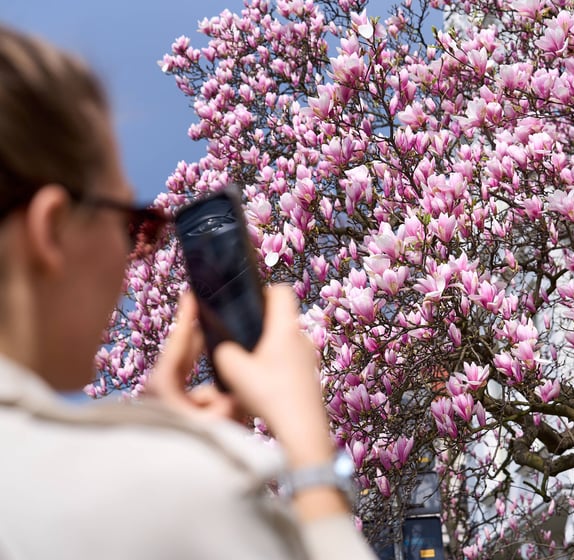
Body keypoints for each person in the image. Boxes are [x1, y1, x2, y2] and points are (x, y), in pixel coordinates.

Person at [0, 24, 374, 560]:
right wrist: (312, 461)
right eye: (133, 222)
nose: (140, 255)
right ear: (52, 231)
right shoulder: (156, 501)